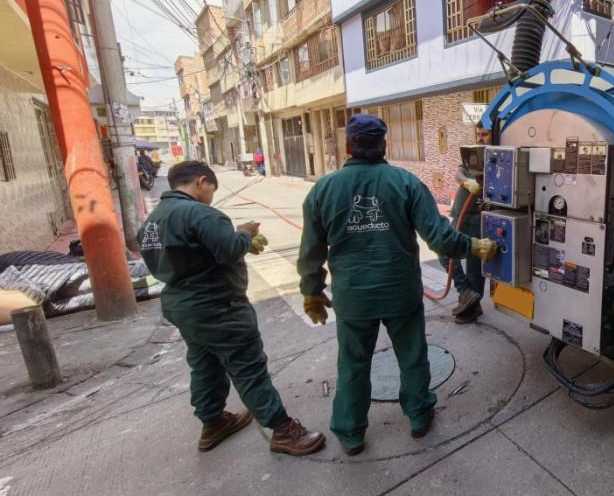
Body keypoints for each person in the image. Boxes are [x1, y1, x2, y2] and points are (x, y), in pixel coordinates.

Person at [297, 114, 497, 456]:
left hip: (353, 298)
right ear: (383, 145)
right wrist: (472, 247)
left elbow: (311, 251)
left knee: (352, 364)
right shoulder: (405, 182)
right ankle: (419, 416)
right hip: (399, 293)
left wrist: (312, 291)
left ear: (347, 147)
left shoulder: (323, 190)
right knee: (412, 356)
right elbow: (439, 236)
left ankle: (350, 433)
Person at [138, 161, 325, 456]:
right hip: (218, 306)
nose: (212, 195)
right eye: (212, 188)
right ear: (202, 181)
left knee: (205, 364)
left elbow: (192, 256)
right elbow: (228, 250)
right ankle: (283, 429)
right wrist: (244, 234)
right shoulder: (201, 214)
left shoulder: (152, 221)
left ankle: (213, 422)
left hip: (182, 306)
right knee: (247, 366)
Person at [437, 122, 491, 324]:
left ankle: (473, 306)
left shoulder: (498, 159)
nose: (480, 137)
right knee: (444, 251)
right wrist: (467, 182)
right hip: (460, 215)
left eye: (485, 134)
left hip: (479, 219)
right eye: (478, 133)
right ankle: (465, 291)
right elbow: (459, 173)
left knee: (475, 266)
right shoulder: (472, 154)